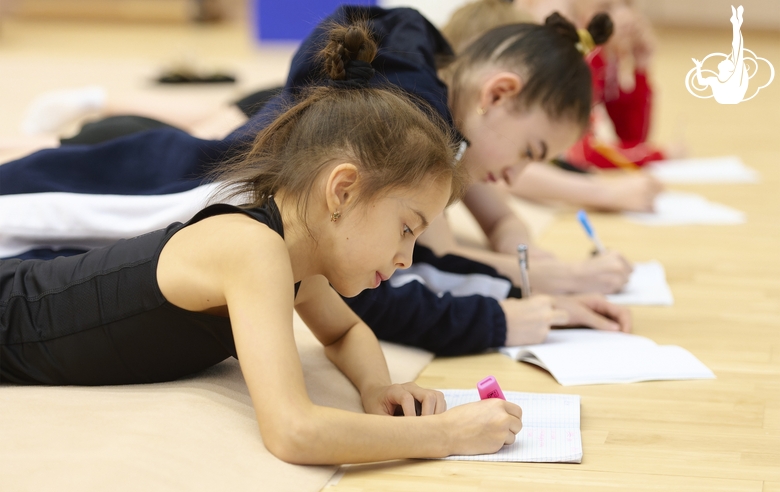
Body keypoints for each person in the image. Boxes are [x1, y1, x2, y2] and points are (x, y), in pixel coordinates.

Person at [0, 22, 528, 464]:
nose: (406, 257)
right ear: (342, 190)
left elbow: (347, 332)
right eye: (407, 228)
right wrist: (446, 435)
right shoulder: (252, 249)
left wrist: (376, 388)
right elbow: (293, 431)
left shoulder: (297, 257)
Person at [0, 6, 631, 355]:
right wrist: (498, 318)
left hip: (172, 174)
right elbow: (366, 288)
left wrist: (511, 285)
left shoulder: (421, 86)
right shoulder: (409, 116)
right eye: (529, 151)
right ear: (498, 92)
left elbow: (403, 261)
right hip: (146, 187)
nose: (517, 174)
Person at [440, 0, 664, 214]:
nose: (624, 18)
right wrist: (650, 159)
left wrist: (639, 70)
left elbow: (630, 137)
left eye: (627, 4)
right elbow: (580, 153)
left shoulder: (597, 61)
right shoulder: (540, 58)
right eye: (605, 8)